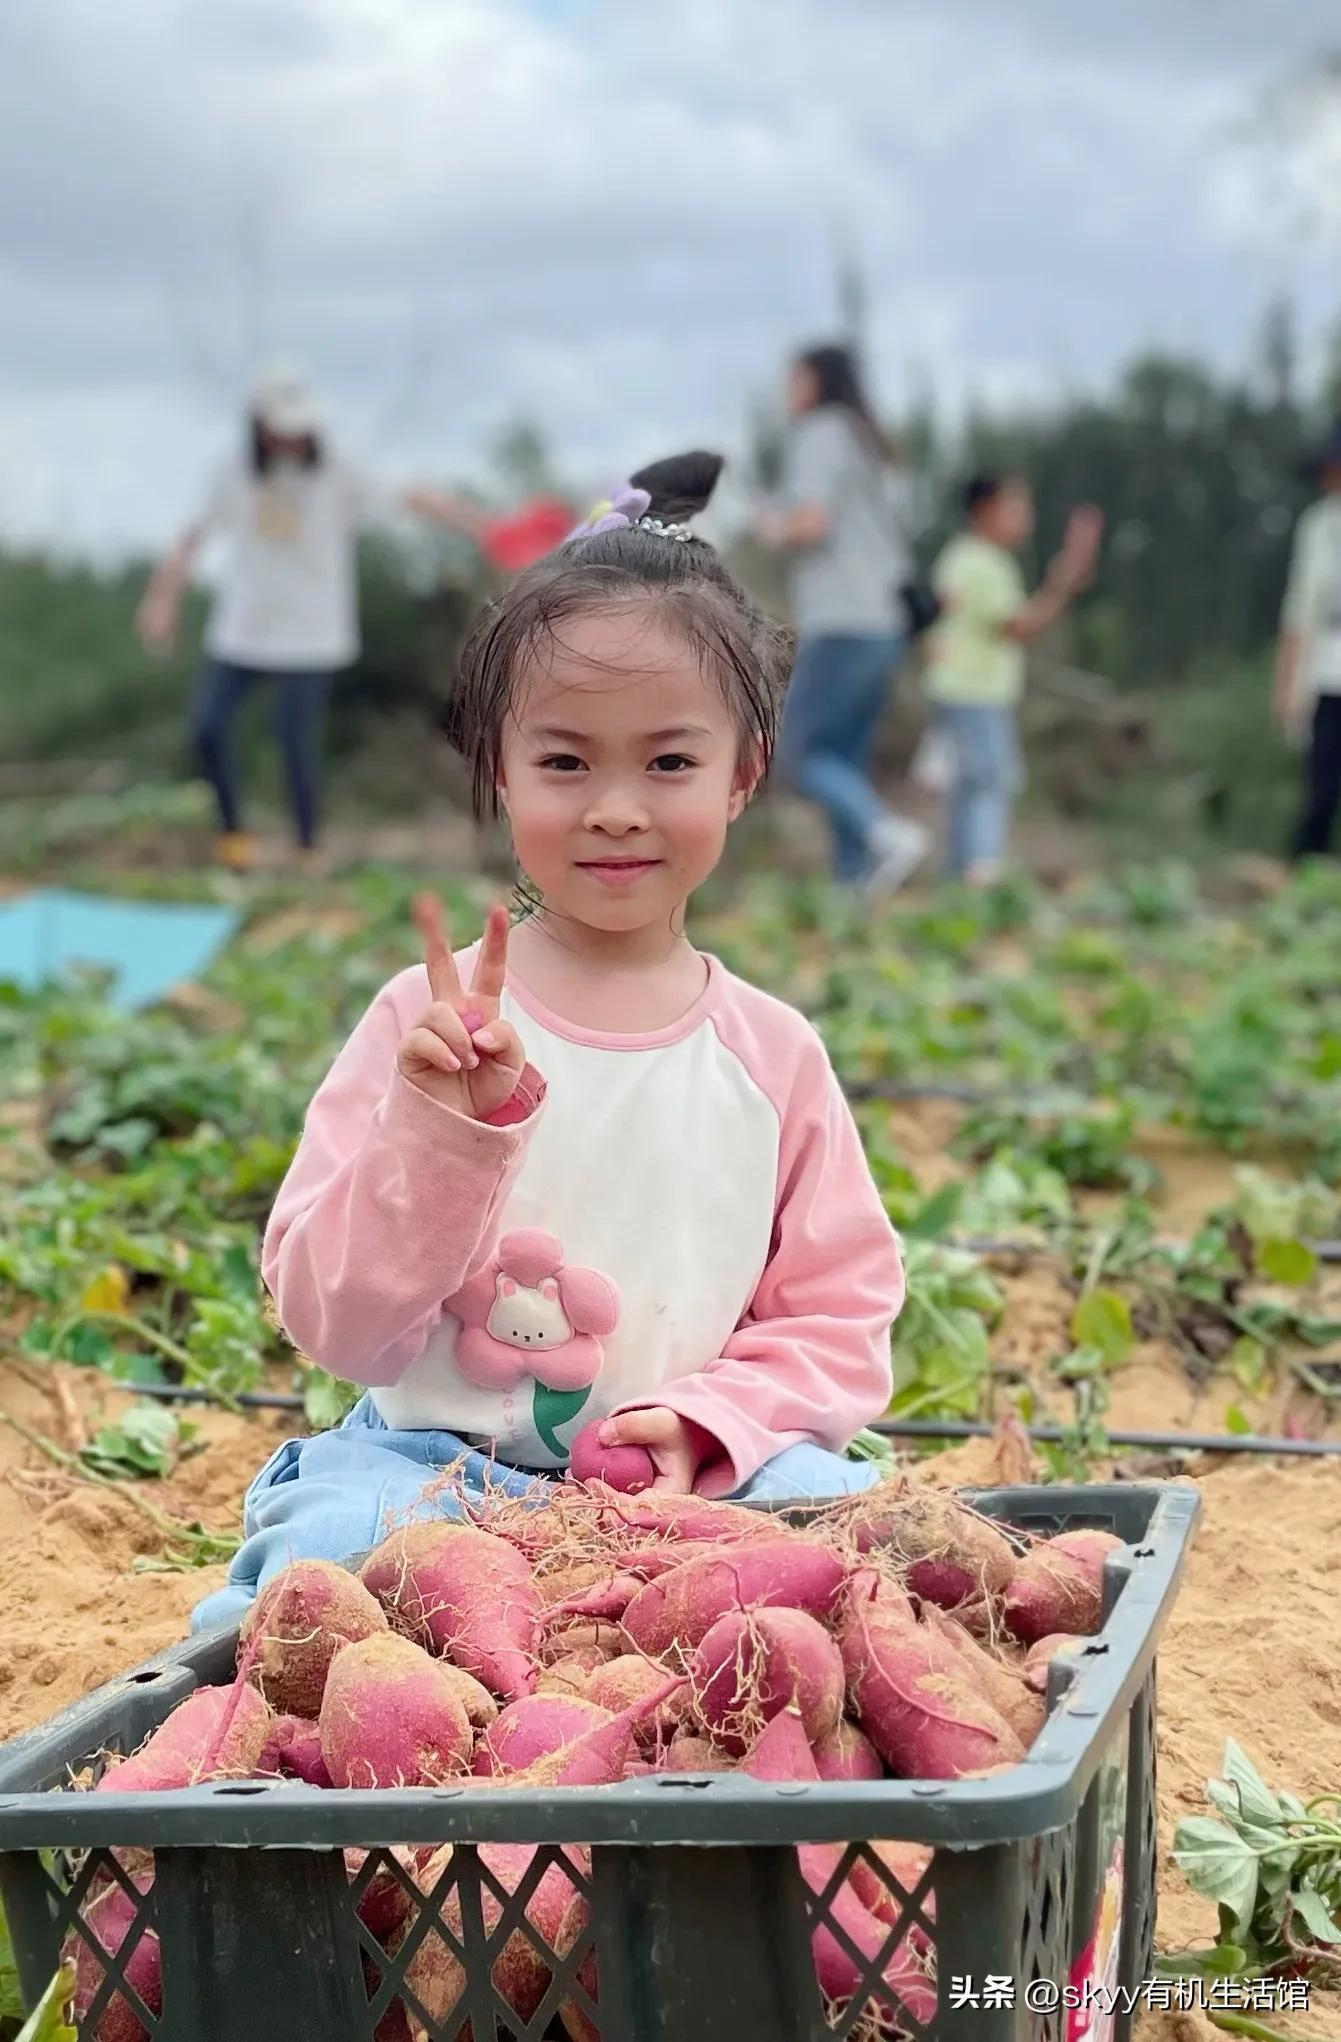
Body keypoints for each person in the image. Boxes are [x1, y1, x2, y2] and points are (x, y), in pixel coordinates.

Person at [192, 451, 900, 1629]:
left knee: (842, 1521)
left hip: (682, 1484)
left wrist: (710, 1421)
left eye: (669, 760)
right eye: (563, 761)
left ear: (743, 775)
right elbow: (337, 1326)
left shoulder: (772, 1057)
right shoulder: (419, 1031)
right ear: (498, 773)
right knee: (319, 1570)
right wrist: (438, 1130)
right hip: (436, 1477)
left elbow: (838, 1312)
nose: (616, 805)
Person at [135, 358, 487, 871]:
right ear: (260, 427)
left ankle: (307, 849)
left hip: (311, 629)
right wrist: (160, 601)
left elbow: (411, 496)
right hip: (244, 624)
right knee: (208, 727)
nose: (292, 441)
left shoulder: (341, 465)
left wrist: (483, 526)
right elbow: (190, 536)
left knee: (295, 740)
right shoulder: (229, 469)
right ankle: (233, 837)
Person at [759, 344, 927, 890]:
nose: (788, 392)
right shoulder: (867, 440)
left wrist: (772, 527)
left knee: (797, 755)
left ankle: (885, 831)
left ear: (815, 382)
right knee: (845, 759)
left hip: (843, 619)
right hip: (885, 621)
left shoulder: (822, 433)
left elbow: (811, 523)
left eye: (794, 379)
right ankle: (853, 885)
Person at [926, 475, 1102, 884]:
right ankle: (982, 871)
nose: (1026, 520)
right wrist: (1059, 586)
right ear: (984, 511)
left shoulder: (963, 557)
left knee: (969, 784)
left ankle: (958, 873)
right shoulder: (982, 562)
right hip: (974, 691)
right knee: (989, 780)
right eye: (1016, 509)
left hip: (956, 688)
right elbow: (1019, 626)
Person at [1273, 421, 1341, 860]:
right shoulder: (1318, 526)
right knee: (1321, 791)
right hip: (1328, 676)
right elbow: (1299, 612)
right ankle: (1308, 885)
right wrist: (1285, 686)